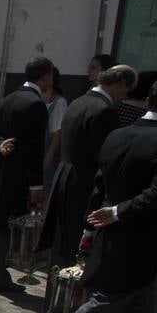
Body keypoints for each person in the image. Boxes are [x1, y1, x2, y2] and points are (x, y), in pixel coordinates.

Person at [30, 77, 157, 313]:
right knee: (107, 300)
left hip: (111, 231)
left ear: (148, 102)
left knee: (140, 304)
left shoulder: (119, 135)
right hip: (137, 236)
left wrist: (90, 229)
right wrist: (116, 214)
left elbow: (99, 186)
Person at [37, 64, 135, 268]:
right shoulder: (105, 111)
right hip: (84, 181)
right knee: (75, 240)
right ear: (120, 84)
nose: (126, 95)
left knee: (61, 239)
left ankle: (56, 291)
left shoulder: (78, 102)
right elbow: (105, 156)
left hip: (64, 176)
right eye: (127, 89)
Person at [0, 57, 51, 292]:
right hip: (20, 175)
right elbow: (35, 149)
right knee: (10, 223)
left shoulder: (8, 99)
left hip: (4, 170)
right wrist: (36, 185)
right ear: (45, 77)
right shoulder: (36, 105)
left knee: (4, 220)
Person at [41, 68, 68, 191]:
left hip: (47, 150)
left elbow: (58, 131)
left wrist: (50, 156)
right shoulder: (35, 98)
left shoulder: (59, 102)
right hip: (36, 150)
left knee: (45, 189)